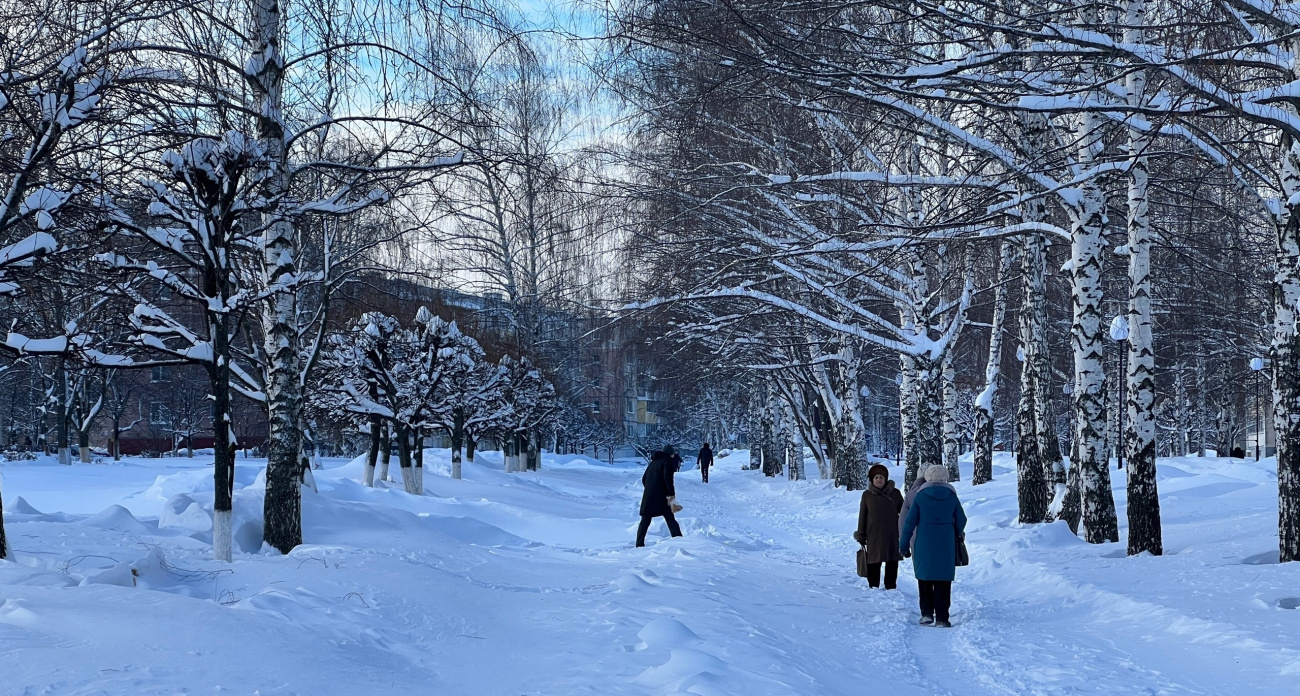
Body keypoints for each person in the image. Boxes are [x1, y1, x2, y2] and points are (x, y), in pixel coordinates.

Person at [899, 465, 968, 628]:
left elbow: (909, 522)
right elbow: (962, 519)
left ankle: (927, 614)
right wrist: (955, 532)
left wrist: (903, 545)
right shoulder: (951, 496)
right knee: (943, 580)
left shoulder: (920, 497)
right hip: (946, 544)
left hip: (923, 542)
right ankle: (943, 617)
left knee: (925, 578)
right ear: (945, 478)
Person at [854, 464, 904, 589]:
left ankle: (891, 587)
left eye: (881, 477)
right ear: (872, 480)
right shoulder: (867, 495)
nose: (879, 479)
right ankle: (873, 586)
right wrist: (861, 534)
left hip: (893, 534)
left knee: (892, 561)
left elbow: (903, 513)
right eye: (876, 477)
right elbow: (863, 516)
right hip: (874, 535)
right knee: (874, 561)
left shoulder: (895, 493)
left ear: (885, 479)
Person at [637, 445, 683, 547]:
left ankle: (639, 543)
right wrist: (671, 493)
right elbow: (668, 478)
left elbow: (644, 479)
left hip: (649, 495)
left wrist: (650, 488)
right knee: (669, 517)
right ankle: (679, 539)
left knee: (646, 518)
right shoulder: (667, 461)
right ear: (670, 454)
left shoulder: (653, 462)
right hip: (661, 496)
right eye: (672, 454)